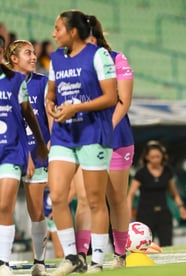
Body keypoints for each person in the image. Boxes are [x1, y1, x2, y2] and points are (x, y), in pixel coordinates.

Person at [45, 10, 117, 275]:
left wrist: (77, 108)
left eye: (57, 28)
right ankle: (73, 257)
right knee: (57, 197)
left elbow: (111, 97)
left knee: (95, 200)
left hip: (93, 134)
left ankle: (97, 259)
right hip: (64, 135)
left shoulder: (98, 56)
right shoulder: (55, 59)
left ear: (73, 31)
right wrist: (52, 108)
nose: (53, 34)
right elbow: (51, 95)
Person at [70, 16, 135, 269]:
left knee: (116, 198)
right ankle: (80, 256)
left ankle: (120, 254)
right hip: (84, 139)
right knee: (85, 199)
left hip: (117, 138)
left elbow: (124, 100)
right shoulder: (72, 64)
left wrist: (105, 129)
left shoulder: (117, 58)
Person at [0, 35, 48, 276]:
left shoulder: (38, 82)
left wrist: (43, 145)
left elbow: (38, 115)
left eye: (33, 52)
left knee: (34, 210)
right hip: (11, 150)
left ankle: (38, 262)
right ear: (13, 57)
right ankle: (3, 262)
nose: (33, 56)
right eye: (27, 53)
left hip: (26, 151)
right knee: (3, 206)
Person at [127, 141, 186, 247]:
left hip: (163, 212)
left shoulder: (167, 171)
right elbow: (131, 194)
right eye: (152, 157)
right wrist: (128, 214)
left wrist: (181, 207)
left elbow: (174, 193)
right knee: (145, 245)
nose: (155, 160)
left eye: (158, 157)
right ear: (147, 157)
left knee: (166, 243)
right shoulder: (141, 173)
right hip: (145, 213)